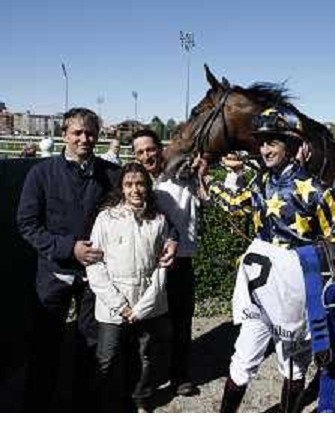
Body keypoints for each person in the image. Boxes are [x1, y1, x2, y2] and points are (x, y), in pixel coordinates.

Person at [199, 106, 335, 413]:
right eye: (263, 142)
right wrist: (209, 182)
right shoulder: (259, 182)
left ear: (292, 146)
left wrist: (309, 264)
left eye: (273, 142)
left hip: (296, 293)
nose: (265, 149)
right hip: (259, 291)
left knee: (294, 367)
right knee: (243, 359)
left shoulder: (318, 191)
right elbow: (234, 204)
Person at [16, 107, 120, 411]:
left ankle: (82, 407)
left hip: (95, 278)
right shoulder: (41, 174)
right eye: (77, 132)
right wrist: (68, 249)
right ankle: (36, 407)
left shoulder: (111, 175)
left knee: (89, 346)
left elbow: (131, 215)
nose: (84, 139)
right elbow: (28, 225)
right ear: (64, 135)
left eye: (90, 133)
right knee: (45, 345)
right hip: (54, 275)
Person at [87, 162, 170, 412]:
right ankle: (106, 404)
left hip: (148, 304)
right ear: (121, 188)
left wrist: (142, 307)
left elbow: (161, 267)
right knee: (107, 357)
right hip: (113, 305)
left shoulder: (158, 220)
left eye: (140, 184)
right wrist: (121, 306)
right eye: (129, 184)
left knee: (146, 355)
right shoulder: (106, 218)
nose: (135, 190)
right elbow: (95, 265)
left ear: (148, 186)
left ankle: (140, 397)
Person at [131, 128, 198, 397]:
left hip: (180, 262)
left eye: (150, 149)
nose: (147, 155)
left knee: (181, 324)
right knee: (149, 326)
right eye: (140, 152)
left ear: (160, 149)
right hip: (147, 266)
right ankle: (147, 377)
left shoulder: (184, 176)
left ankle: (180, 376)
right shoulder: (134, 183)